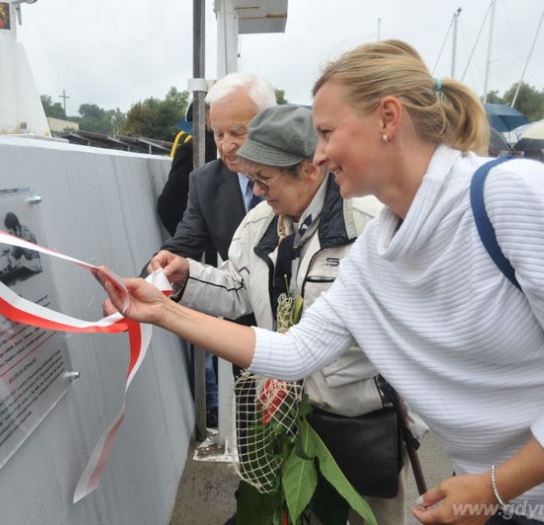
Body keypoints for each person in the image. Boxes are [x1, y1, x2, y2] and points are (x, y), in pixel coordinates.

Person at [98, 39, 544, 525]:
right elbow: (295, 353)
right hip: (490, 498)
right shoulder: (381, 247)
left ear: (387, 118)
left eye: (326, 133)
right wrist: (162, 311)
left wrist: (495, 485)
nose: (315, 157)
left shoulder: (511, 197)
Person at [153, 104, 407, 523]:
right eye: (251, 179)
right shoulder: (258, 224)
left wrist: (409, 420)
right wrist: (188, 279)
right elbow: (237, 289)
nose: (255, 192)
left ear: (309, 169)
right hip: (282, 419)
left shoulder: (368, 226)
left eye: (263, 179)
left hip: (359, 421)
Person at [146, 72, 277, 426]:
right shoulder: (204, 182)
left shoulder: (303, 173)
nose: (226, 145)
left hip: (302, 328)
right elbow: (185, 240)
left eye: (238, 132)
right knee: (253, 429)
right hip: (244, 333)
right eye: (218, 134)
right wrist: (159, 268)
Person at [156, 102, 218, 238]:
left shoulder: (191, 150)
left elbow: (167, 206)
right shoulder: (191, 152)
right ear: (206, 115)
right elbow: (169, 205)